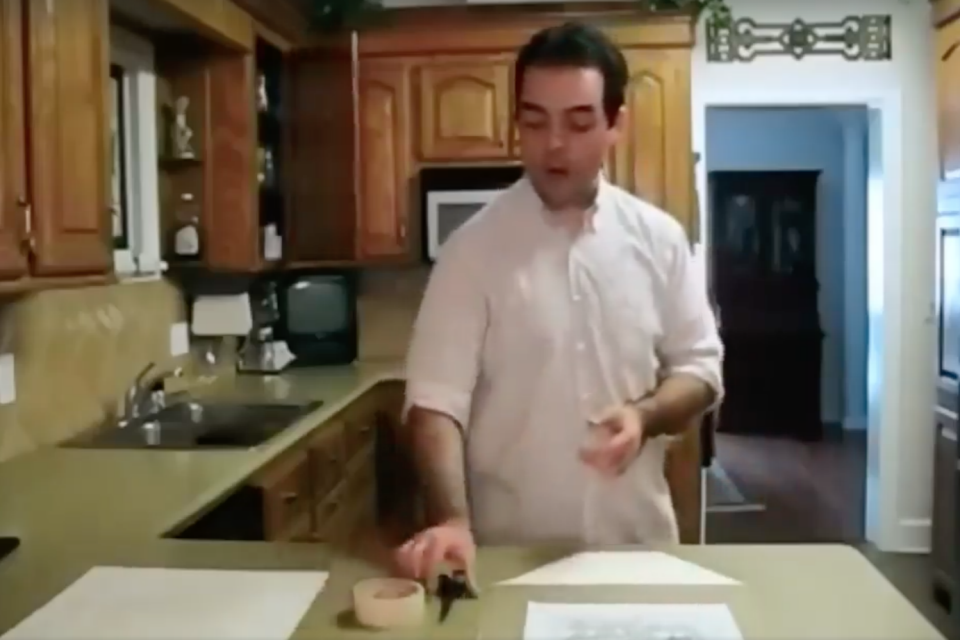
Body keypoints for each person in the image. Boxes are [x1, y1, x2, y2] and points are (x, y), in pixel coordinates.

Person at [394, 21, 723, 583]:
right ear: (516, 124)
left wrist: (644, 417)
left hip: (638, 553)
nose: (554, 145)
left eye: (577, 122)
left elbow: (701, 370)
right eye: (535, 121)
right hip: (507, 561)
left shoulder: (661, 240)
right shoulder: (470, 252)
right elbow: (434, 404)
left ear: (615, 123)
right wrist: (450, 519)